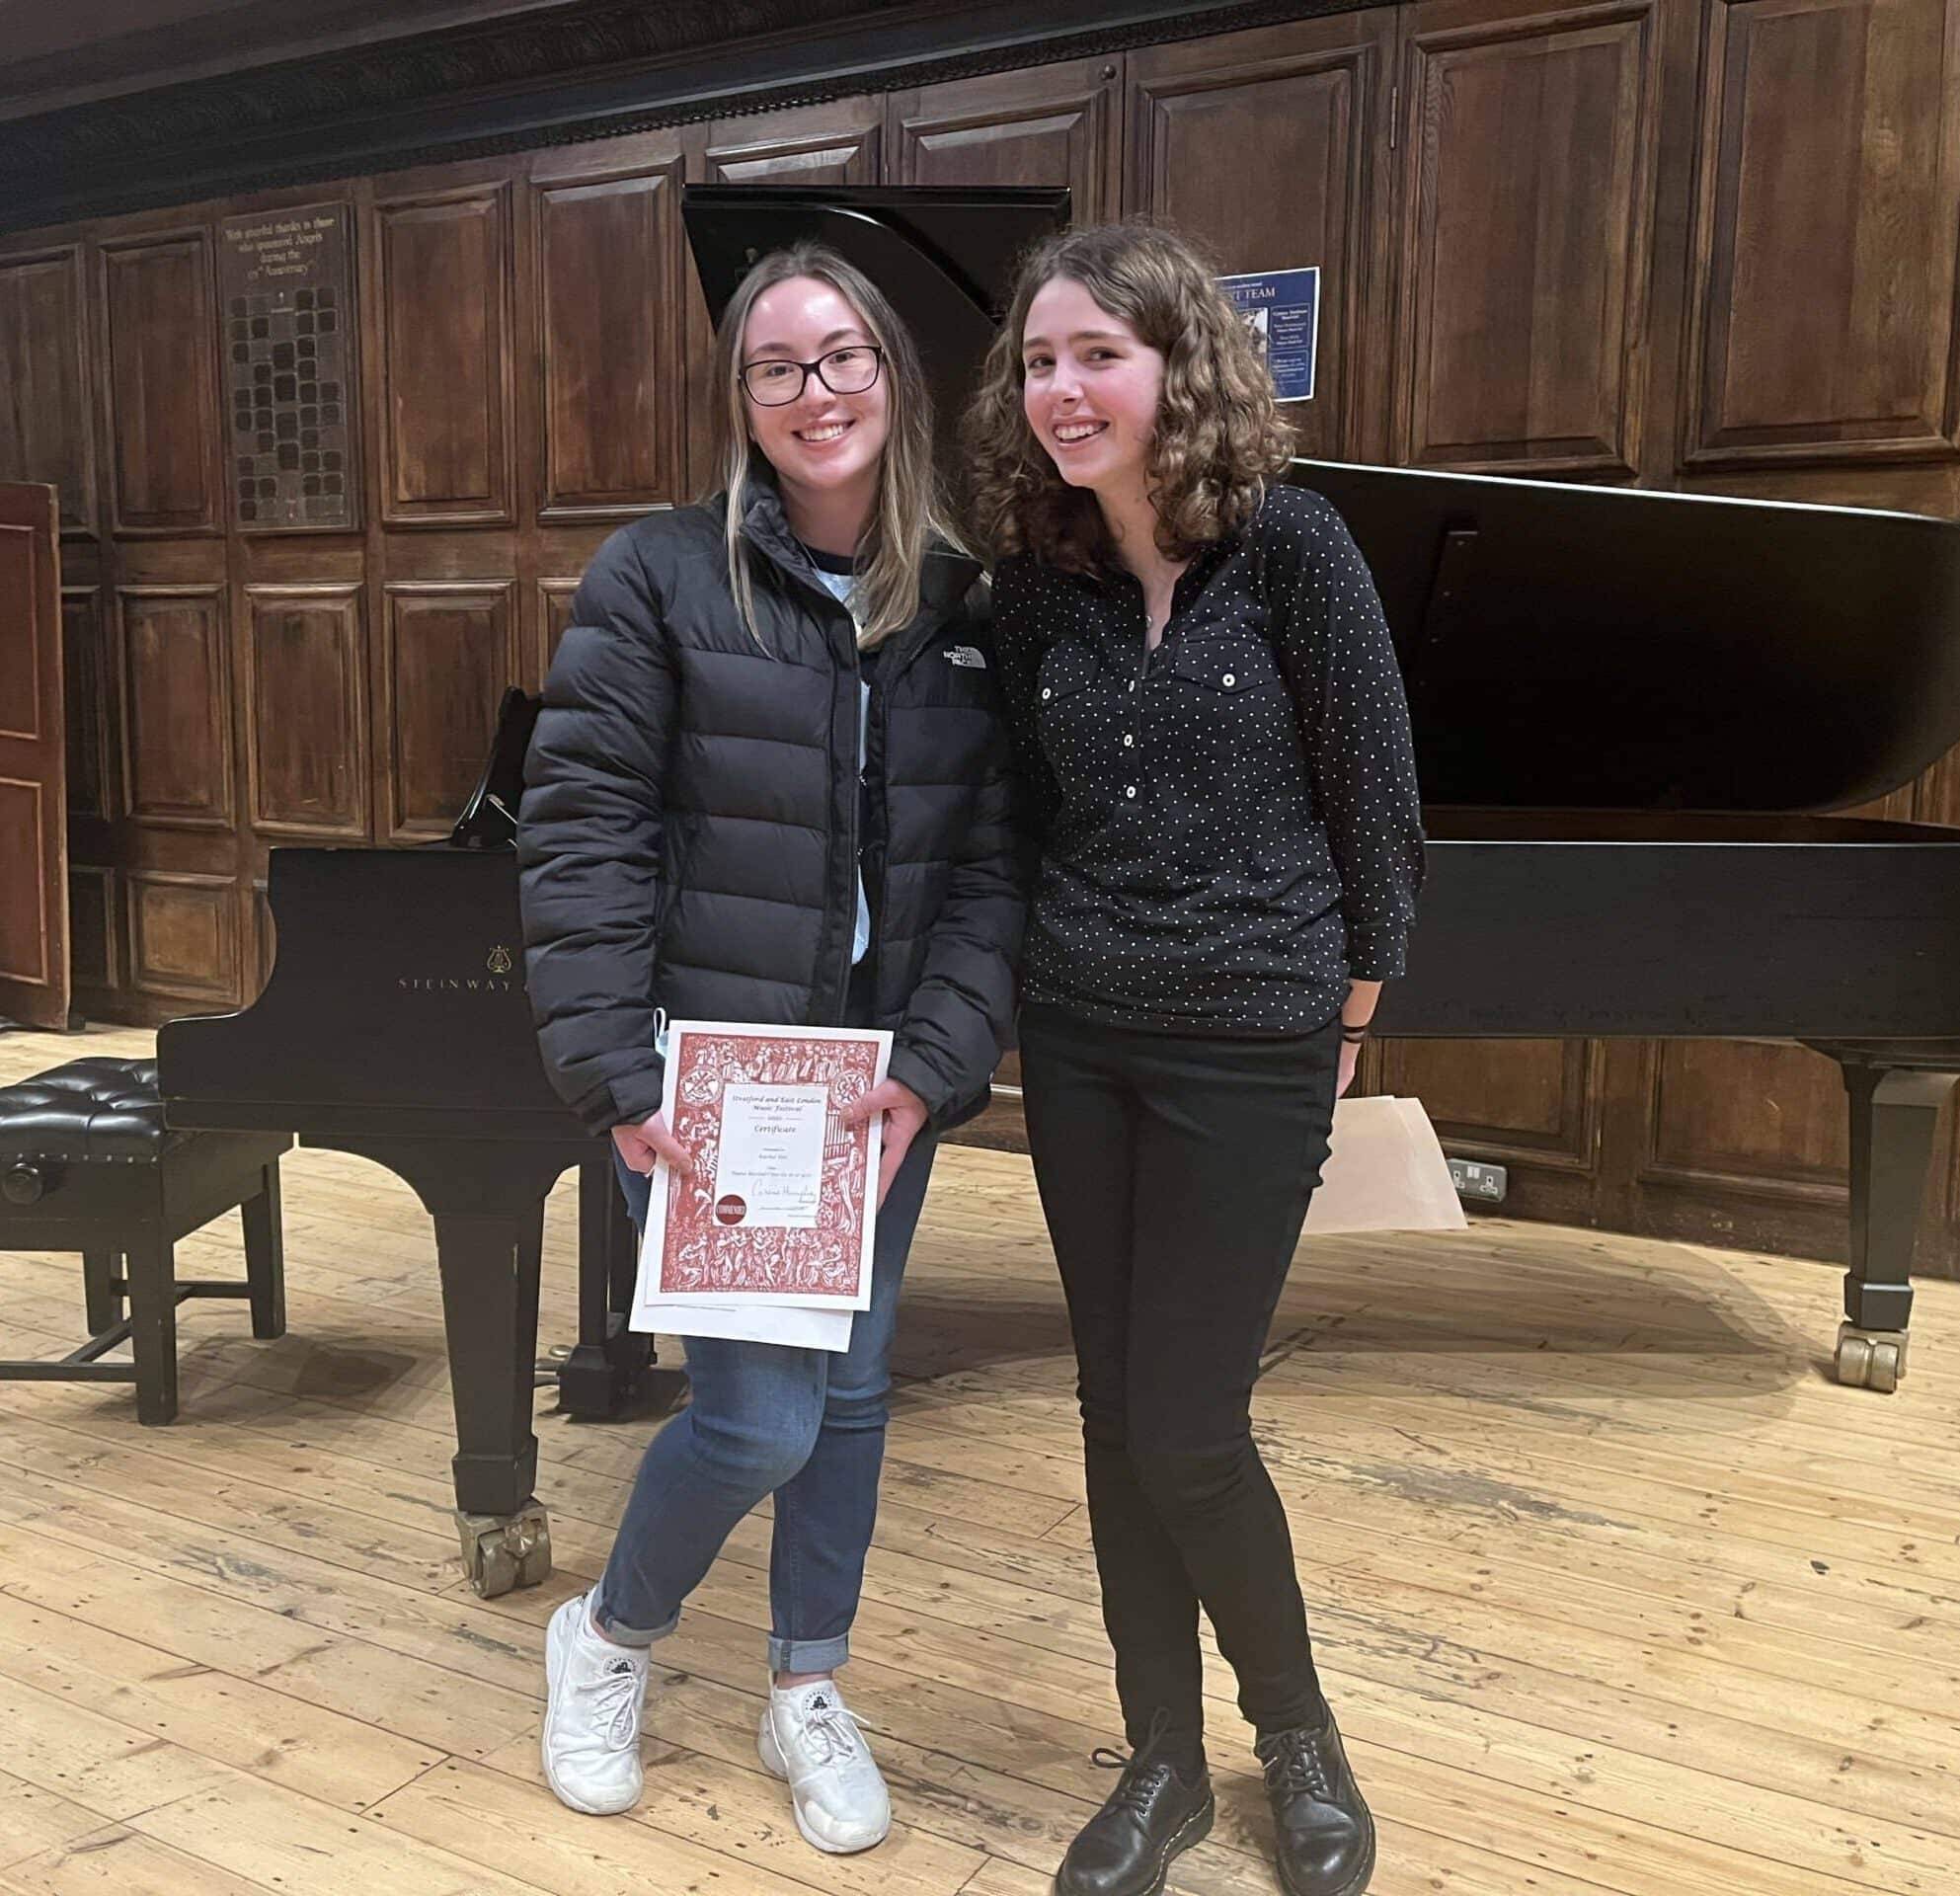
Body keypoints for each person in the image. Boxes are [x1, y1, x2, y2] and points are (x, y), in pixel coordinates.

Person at [517, 240, 1024, 1853]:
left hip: (872, 1085)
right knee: (757, 1419)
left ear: (894, 376)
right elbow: (581, 832)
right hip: (720, 1078)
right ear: (739, 400)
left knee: (856, 1393)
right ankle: (604, 1637)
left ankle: (807, 1682)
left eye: (843, 356)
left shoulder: (964, 597)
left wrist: (935, 1064)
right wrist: (617, 1075)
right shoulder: (659, 575)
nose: (816, 392)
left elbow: (996, 865)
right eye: (777, 365)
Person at [966, 220, 1425, 1896]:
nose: (1064, 389)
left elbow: (1376, 809)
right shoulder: (1033, 582)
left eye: (1098, 353)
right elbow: (1019, 810)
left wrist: (1346, 1032)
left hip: (1252, 1037)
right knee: (1111, 1411)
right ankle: (1158, 1756)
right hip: (1081, 1036)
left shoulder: (1292, 550)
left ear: (1178, 369)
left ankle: (1295, 1731)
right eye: (1038, 360)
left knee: (1185, 1420)